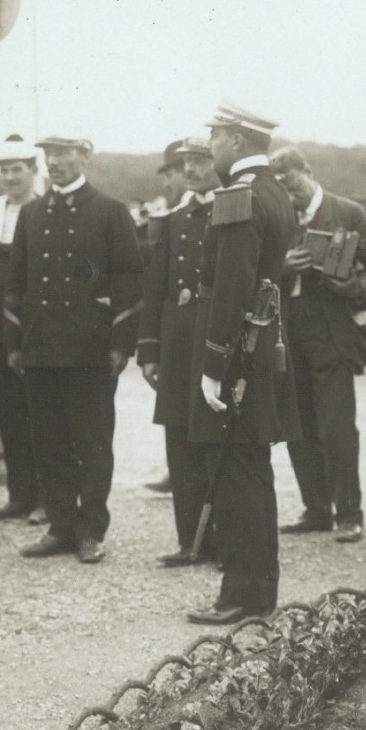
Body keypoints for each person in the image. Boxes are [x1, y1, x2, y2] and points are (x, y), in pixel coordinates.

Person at [186, 104, 301, 624]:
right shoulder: (276, 191)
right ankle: (258, 590)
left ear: (234, 139)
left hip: (236, 350)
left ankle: (241, 593)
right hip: (259, 342)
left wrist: (213, 362)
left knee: (234, 471)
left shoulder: (239, 196)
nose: (210, 144)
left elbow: (231, 283)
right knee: (251, 470)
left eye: (215, 135)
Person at [5, 136, 142, 564]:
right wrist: (14, 341)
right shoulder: (31, 214)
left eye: (65, 154)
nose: (56, 163)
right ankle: (60, 526)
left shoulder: (109, 211)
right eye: (50, 156)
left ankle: (91, 531)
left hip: (89, 349)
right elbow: (16, 282)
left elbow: (128, 281)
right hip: (42, 346)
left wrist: (121, 343)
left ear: (85, 157)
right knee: (48, 440)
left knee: (93, 443)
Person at [269, 145, 366, 544]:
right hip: (288, 334)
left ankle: (349, 513)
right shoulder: (278, 217)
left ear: (308, 171)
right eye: (282, 192)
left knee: (337, 427)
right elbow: (256, 270)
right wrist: (282, 267)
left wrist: (354, 288)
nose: (290, 198)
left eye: (293, 186)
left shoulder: (348, 212)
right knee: (298, 426)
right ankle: (317, 509)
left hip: (334, 334)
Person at [137, 137, 220, 566]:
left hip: (212, 342)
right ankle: (190, 540)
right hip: (176, 345)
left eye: (200, 161)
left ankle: (222, 541)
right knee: (180, 443)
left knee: (213, 445)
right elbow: (156, 289)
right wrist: (149, 349)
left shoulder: (230, 213)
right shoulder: (172, 220)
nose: (191, 170)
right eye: (185, 162)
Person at [0, 136, 46, 524]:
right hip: (0, 329)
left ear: (33, 171)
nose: (10, 177)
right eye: (4, 170)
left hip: (36, 329)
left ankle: (47, 498)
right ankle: (19, 494)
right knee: (11, 415)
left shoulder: (44, 211)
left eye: (17, 169)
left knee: (41, 416)